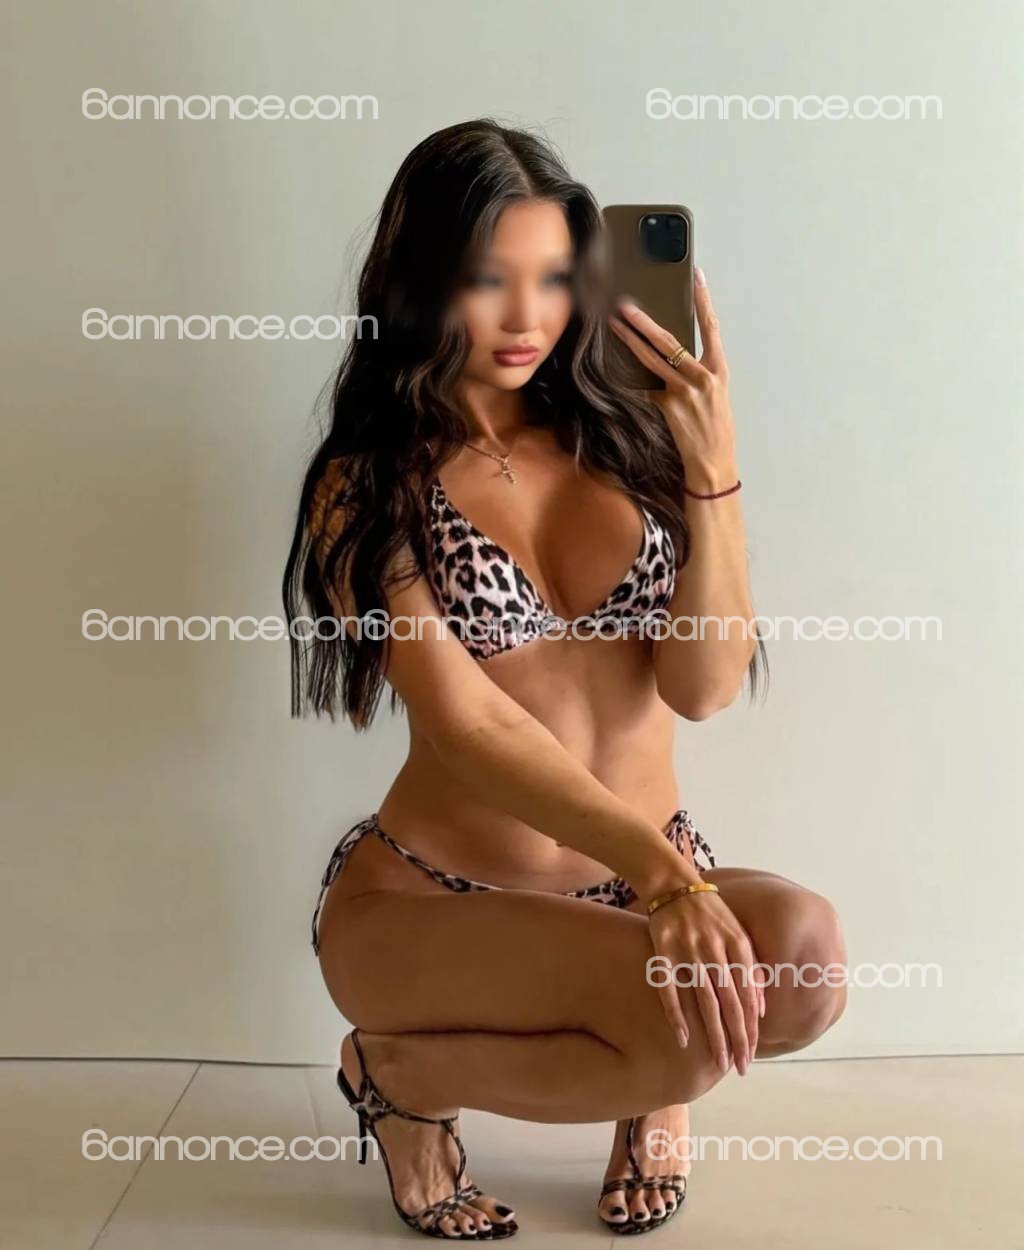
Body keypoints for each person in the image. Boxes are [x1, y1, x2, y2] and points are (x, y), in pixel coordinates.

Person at [282, 118, 847, 1240]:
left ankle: (638, 1063)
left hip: (637, 888)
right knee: (682, 1037)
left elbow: (702, 687)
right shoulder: (368, 484)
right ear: (422, 281)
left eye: (551, 278)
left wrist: (714, 466)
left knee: (807, 959)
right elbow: (466, 722)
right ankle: (401, 1076)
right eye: (488, 278)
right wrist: (669, 882)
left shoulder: (625, 446)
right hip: (436, 903)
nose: (526, 317)